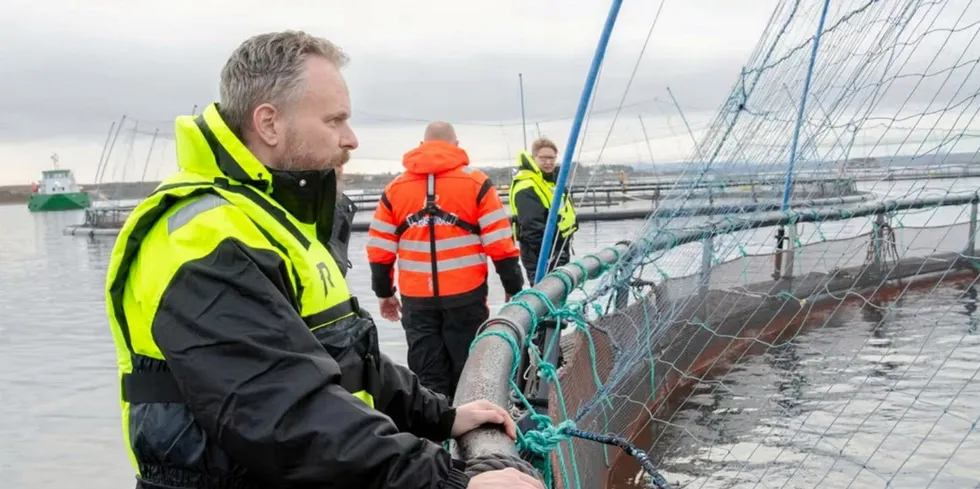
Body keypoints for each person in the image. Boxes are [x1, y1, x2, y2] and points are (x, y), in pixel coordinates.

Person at [103, 30, 543, 489]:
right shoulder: (199, 239)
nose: (351, 139)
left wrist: (441, 415)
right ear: (269, 124)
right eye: (335, 121)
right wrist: (448, 481)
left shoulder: (270, 219)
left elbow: (350, 355)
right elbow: (284, 413)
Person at [367, 121, 525, 399]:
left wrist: (384, 293)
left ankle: (434, 434)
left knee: (427, 374)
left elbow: (379, 249)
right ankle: (471, 432)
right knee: (469, 369)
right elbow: (501, 244)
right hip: (466, 296)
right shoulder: (477, 184)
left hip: (416, 299)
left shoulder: (395, 189)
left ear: (422, 146)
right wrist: (513, 286)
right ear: (456, 145)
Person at [509, 137, 579, 285]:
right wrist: (550, 255)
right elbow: (531, 226)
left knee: (560, 297)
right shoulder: (527, 185)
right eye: (544, 158)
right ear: (534, 158)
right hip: (540, 256)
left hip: (559, 250)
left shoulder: (552, 182)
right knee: (546, 296)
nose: (548, 162)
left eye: (552, 158)